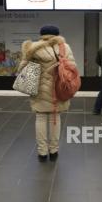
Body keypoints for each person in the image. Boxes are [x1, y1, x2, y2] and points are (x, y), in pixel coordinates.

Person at [19, 25, 76, 162]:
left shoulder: (32, 48)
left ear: (41, 35)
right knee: (55, 118)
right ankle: (54, 151)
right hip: (59, 88)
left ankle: (42, 152)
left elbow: (22, 68)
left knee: (41, 118)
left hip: (39, 89)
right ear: (57, 34)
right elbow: (73, 68)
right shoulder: (64, 47)